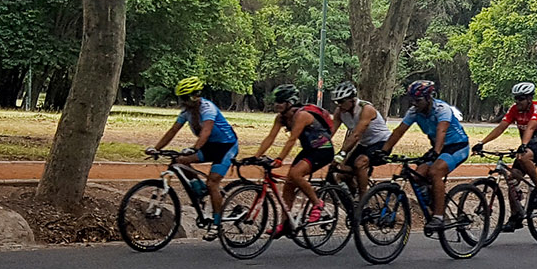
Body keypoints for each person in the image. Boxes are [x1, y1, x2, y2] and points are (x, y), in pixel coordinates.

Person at [384, 79, 469, 230]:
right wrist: (384, 150)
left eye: (418, 100)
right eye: (412, 100)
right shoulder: (414, 112)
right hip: (438, 148)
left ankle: (438, 217)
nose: (414, 104)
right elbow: (399, 131)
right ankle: (435, 200)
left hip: (457, 146)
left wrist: (436, 152)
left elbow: (441, 131)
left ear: (428, 98)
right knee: (417, 175)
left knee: (435, 172)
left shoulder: (442, 109)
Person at [148, 76, 237, 220]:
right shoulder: (186, 112)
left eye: (185, 98)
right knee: (179, 161)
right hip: (209, 146)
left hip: (226, 147)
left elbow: (206, 132)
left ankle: (216, 222)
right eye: (181, 98)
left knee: (212, 182)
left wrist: (194, 148)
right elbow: (172, 131)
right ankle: (198, 189)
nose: (182, 102)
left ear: (195, 96)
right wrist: (156, 148)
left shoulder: (208, 108)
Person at [473, 82, 537, 231]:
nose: (517, 102)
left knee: (524, 157)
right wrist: (482, 142)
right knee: (512, 180)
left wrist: (523, 145)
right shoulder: (514, 109)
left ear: (530, 99)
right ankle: (515, 217)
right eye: (516, 99)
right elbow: (501, 127)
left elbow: (531, 127)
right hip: (527, 145)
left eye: (521, 99)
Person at [249, 84, 334, 231]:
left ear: (290, 103)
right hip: (309, 149)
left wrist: (279, 159)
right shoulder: (281, 118)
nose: (277, 105)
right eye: (276, 102)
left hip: (323, 150)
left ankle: (317, 203)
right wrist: (255, 156)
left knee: (295, 174)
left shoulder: (301, 115)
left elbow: (292, 139)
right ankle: (284, 224)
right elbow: (270, 138)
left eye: (280, 102)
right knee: (289, 184)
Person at [332, 81, 391, 195]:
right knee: (342, 173)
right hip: (365, 144)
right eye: (336, 102)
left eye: (341, 101)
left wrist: (341, 153)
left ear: (352, 99)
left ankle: (364, 199)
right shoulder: (340, 112)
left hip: (382, 142)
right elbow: (331, 131)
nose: (338, 105)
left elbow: (356, 135)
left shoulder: (366, 109)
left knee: (360, 163)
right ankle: (352, 197)